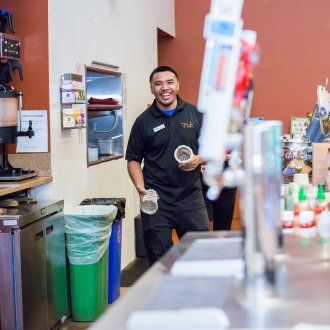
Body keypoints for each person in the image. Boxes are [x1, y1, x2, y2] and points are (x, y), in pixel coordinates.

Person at [125, 66, 209, 265]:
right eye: (158, 83)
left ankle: (197, 295)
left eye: (170, 82)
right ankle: (164, 295)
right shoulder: (143, 122)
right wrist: (140, 188)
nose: (165, 88)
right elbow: (133, 159)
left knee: (200, 255)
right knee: (160, 260)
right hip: (157, 201)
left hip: (191, 199)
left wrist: (199, 159)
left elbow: (212, 149)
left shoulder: (195, 114)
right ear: (152, 89)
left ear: (178, 85)